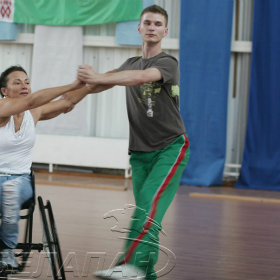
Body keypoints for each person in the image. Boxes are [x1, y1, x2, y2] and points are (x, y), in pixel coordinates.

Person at [78, 5, 190, 280]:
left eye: (157, 24)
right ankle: (145, 273)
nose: (151, 27)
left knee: (148, 209)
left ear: (164, 31)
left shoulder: (168, 63)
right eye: (147, 22)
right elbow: (100, 84)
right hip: (140, 153)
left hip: (170, 148)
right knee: (146, 214)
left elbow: (140, 77)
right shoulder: (129, 63)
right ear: (139, 28)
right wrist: (70, 98)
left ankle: (128, 264)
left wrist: (100, 77)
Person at [0, 65, 99, 269]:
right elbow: (32, 100)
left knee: (10, 193)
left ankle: (6, 251)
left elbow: (68, 102)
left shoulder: (34, 112)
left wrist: (89, 85)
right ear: (4, 91)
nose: (24, 86)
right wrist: (73, 84)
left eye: (27, 82)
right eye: (17, 82)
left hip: (20, 178)